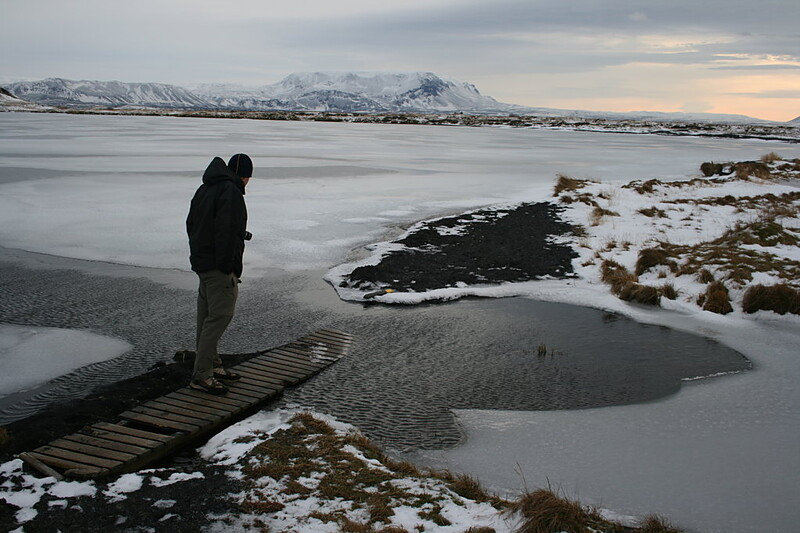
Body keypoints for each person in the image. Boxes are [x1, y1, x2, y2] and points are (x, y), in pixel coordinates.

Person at [186, 153, 253, 395]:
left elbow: (191, 224)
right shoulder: (230, 192)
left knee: (206, 318)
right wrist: (228, 267)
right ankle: (202, 376)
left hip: (203, 264)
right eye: (249, 176)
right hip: (218, 268)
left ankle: (212, 365)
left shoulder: (205, 188)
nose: (248, 181)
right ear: (243, 175)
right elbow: (226, 231)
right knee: (219, 318)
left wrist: (200, 255)